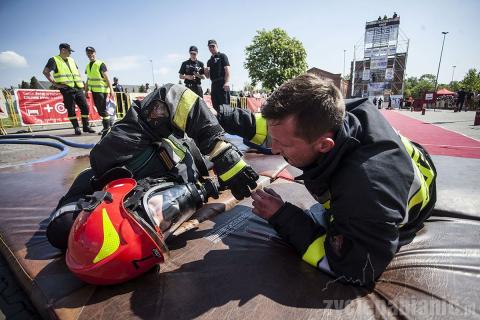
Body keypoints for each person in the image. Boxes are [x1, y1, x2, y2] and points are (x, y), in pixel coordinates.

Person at [219, 74, 437, 286]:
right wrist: (220, 117)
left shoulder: (365, 192)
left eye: (283, 145)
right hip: (400, 167)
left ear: (324, 145)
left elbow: (356, 268)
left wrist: (282, 216)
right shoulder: (331, 112)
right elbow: (275, 127)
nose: (274, 149)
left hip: (396, 204)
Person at [46, 83, 259, 250]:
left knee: (223, 117)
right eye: (163, 220)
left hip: (188, 129)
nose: (165, 210)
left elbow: (172, 96)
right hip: (197, 158)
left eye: (150, 210)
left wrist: (222, 152)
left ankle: (272, 126)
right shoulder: (166, 204)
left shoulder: (113, 151)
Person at [43, 43, 95, 135]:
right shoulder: (54, 60)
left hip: (78, 87)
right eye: (69, 51)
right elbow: (45, 72)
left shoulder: (71, 60)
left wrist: (81, 82)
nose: (70, 53)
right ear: (63, 50)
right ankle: (76, 128)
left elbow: (77, 71)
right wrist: (55, 84)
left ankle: (86, 126)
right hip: (66, 88)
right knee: (71, 109)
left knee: (85, 107)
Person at [84, 46, 115, 135]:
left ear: (95, 53)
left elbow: (107, 78)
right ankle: (107, 127)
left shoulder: (100, 64)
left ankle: (106, 128)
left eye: (91, 53)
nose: (90, 55)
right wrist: (86, 90)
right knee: (100, 110)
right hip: (94, 91)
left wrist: (111, 90)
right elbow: (88, 79)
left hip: (102, 90)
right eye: (88, 53)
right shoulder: (88, 66)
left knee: (102, 110)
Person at [204, 40, 231, 111]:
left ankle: (226, 122)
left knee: (225, 107)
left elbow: (227, 70)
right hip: (214, 84)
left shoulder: (222, 56)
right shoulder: (209, 61)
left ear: (217, 46)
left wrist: (227, 82)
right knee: (215, 106)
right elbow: (207, 77)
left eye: (213, 46)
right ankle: (219, 121)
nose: (211, 48)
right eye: (210, 47)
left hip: (222, 83)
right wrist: (206, 71)